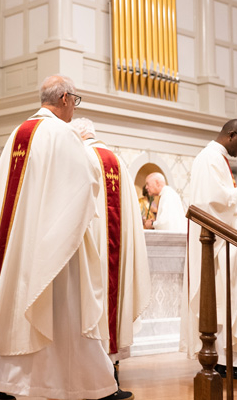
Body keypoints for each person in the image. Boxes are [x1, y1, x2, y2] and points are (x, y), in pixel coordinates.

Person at [0, 75, 125, 400]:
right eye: (75, 101)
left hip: (15, 243)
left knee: (8, 307)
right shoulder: (63, 133)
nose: (74, 108)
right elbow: (84, 187)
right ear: (66, 98)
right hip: (52, 244)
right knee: (61, 311)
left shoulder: (19, 132)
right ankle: (79, 384)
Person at [180, 119, 237, 381]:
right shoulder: (210, 158)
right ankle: (225, 360)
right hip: (216, 246)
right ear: (232, 135)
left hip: (227, 241)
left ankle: (232, 359)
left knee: (232, 297)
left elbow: (222, 200)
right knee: (224, 298)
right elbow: (209, 201)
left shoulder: (217, 158)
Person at [71, 117, 151, 394]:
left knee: (88, 309)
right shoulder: (117, 161)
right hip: (114, 251)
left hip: (89, 251)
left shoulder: (81, 156)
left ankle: (91, 378)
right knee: (110, 306)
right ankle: (111, 372)